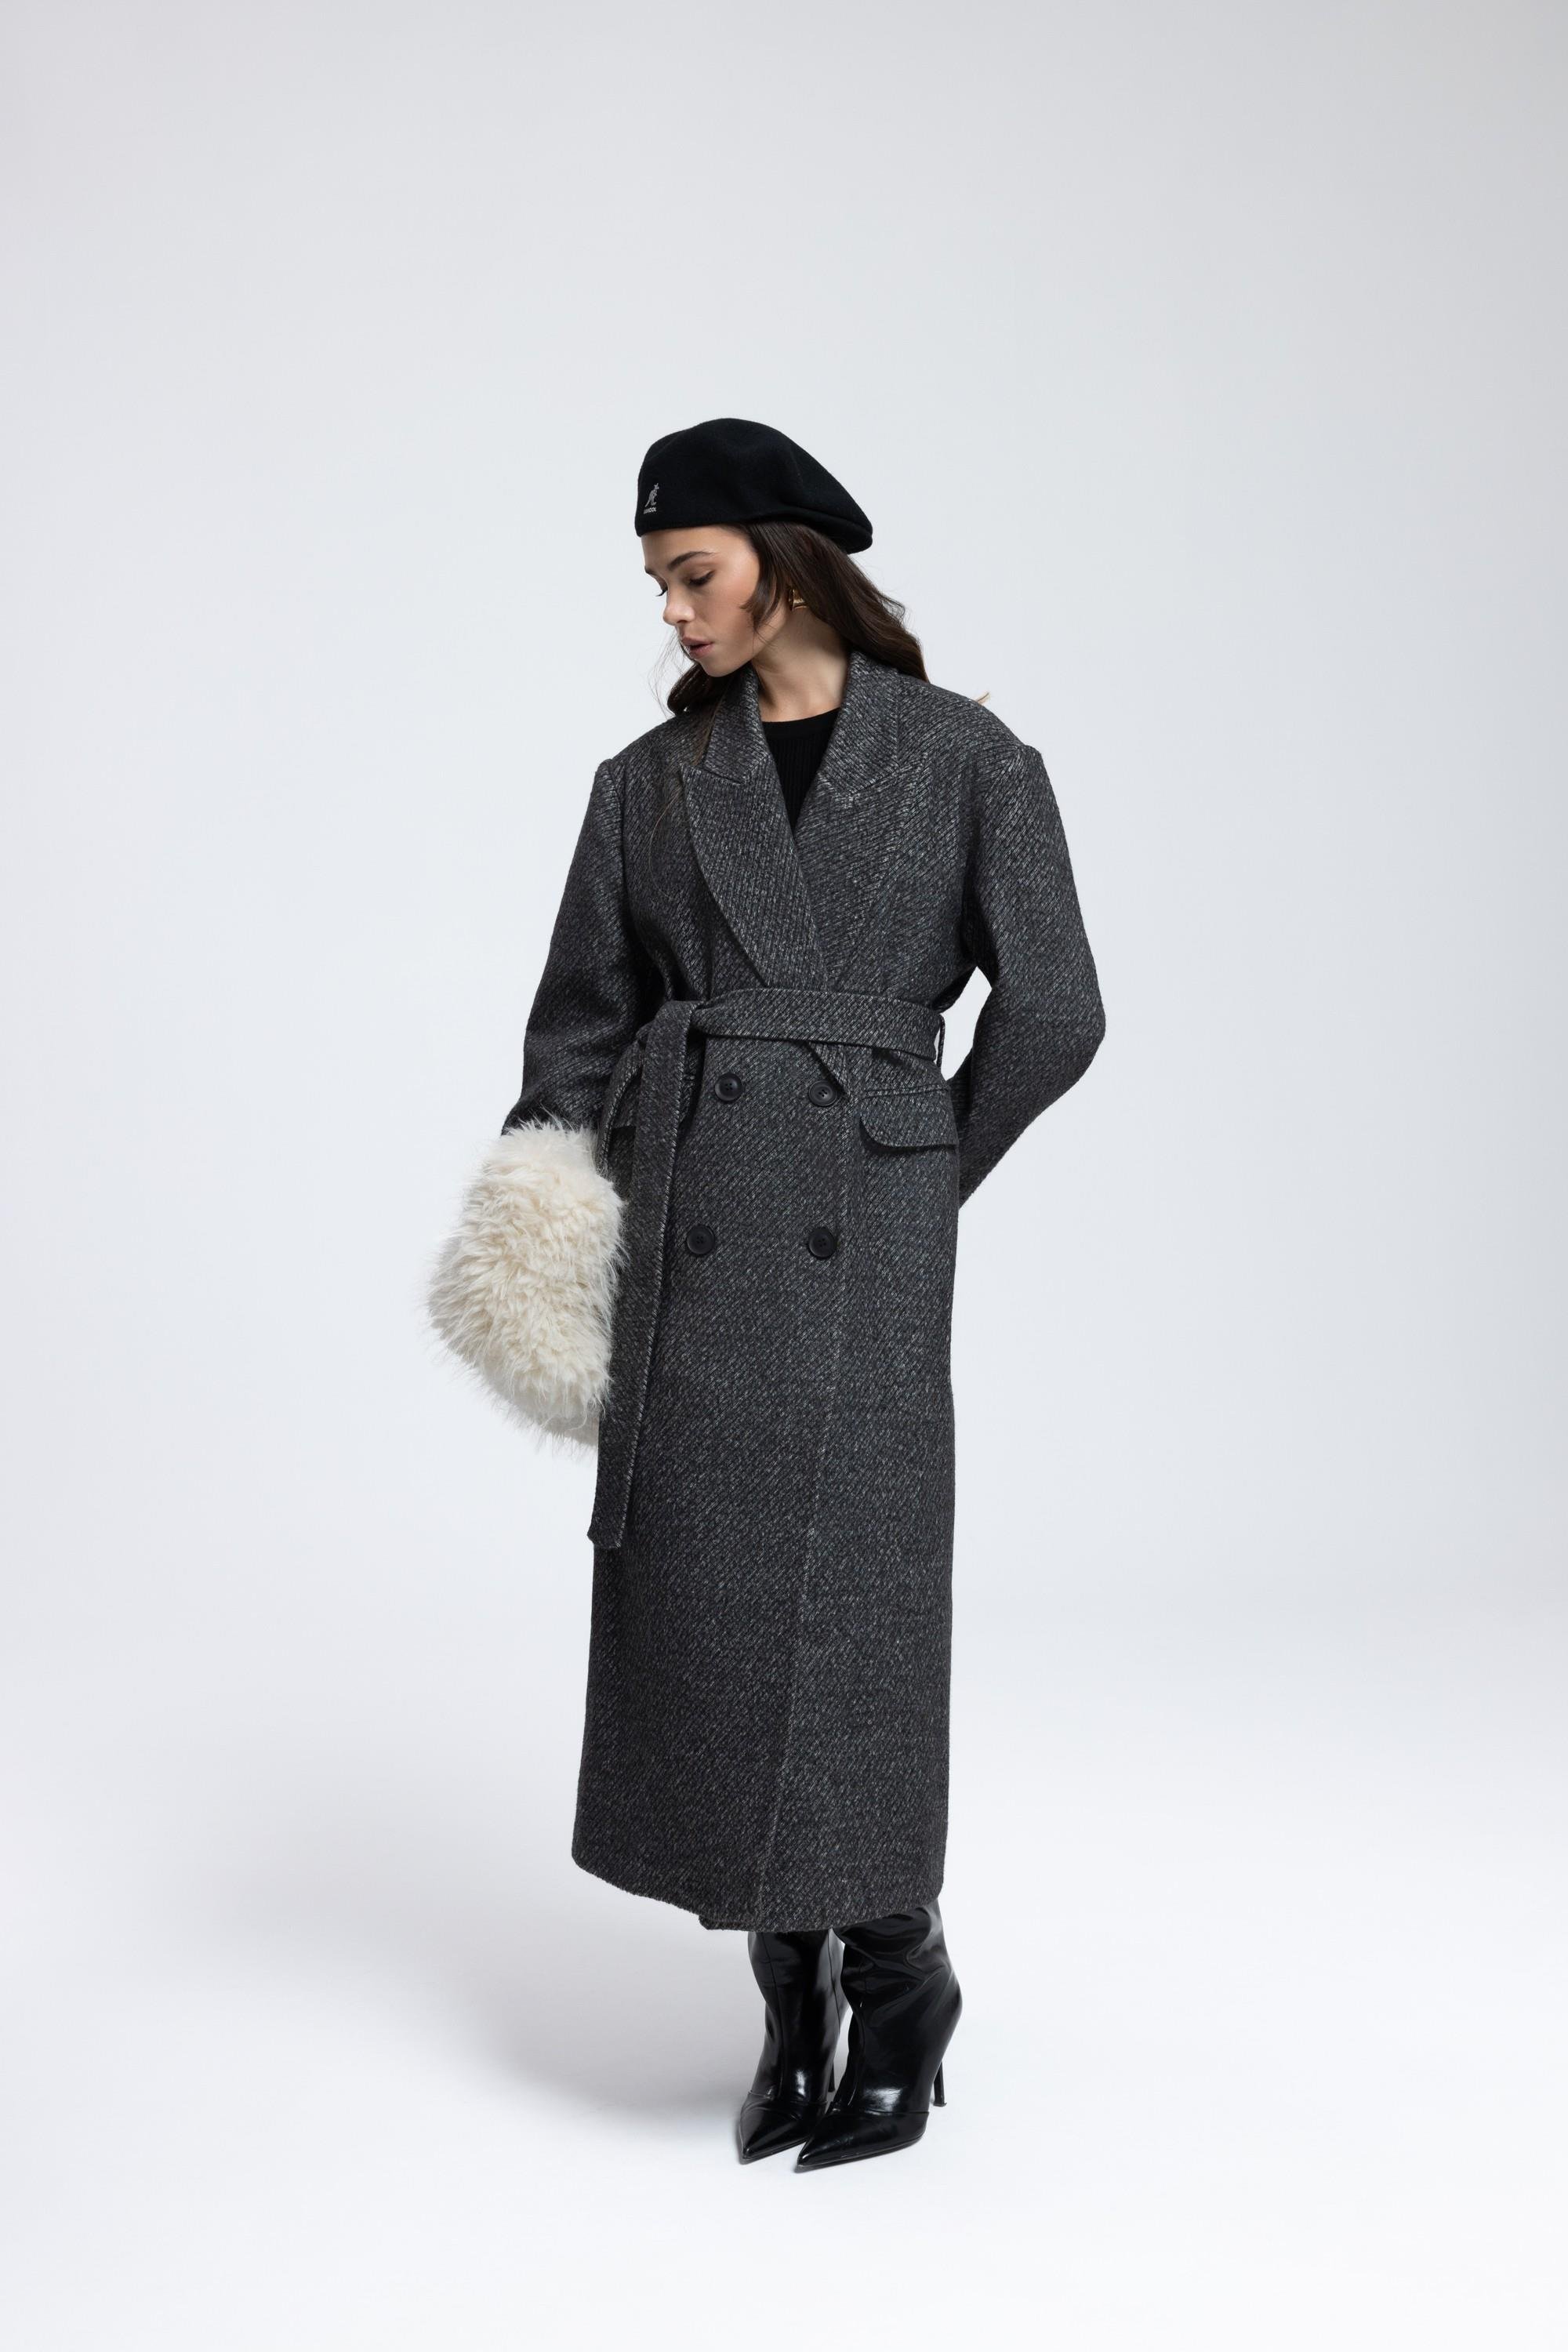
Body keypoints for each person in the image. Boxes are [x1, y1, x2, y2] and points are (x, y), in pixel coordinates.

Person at [430, 416, 1107, 2170]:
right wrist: (549, 1220)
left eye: (694, 573)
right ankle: (782, 1989)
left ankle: (895, 1976)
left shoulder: (967, 759)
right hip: (694, 1229)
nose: (672, 610)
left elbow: (1056, 1008)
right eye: (659, 583)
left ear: (788, 567)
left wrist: (913, 1166)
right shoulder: (645, 786)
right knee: (707, 1604)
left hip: (863, 1238)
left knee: (858, 1597)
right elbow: (578, 1028)